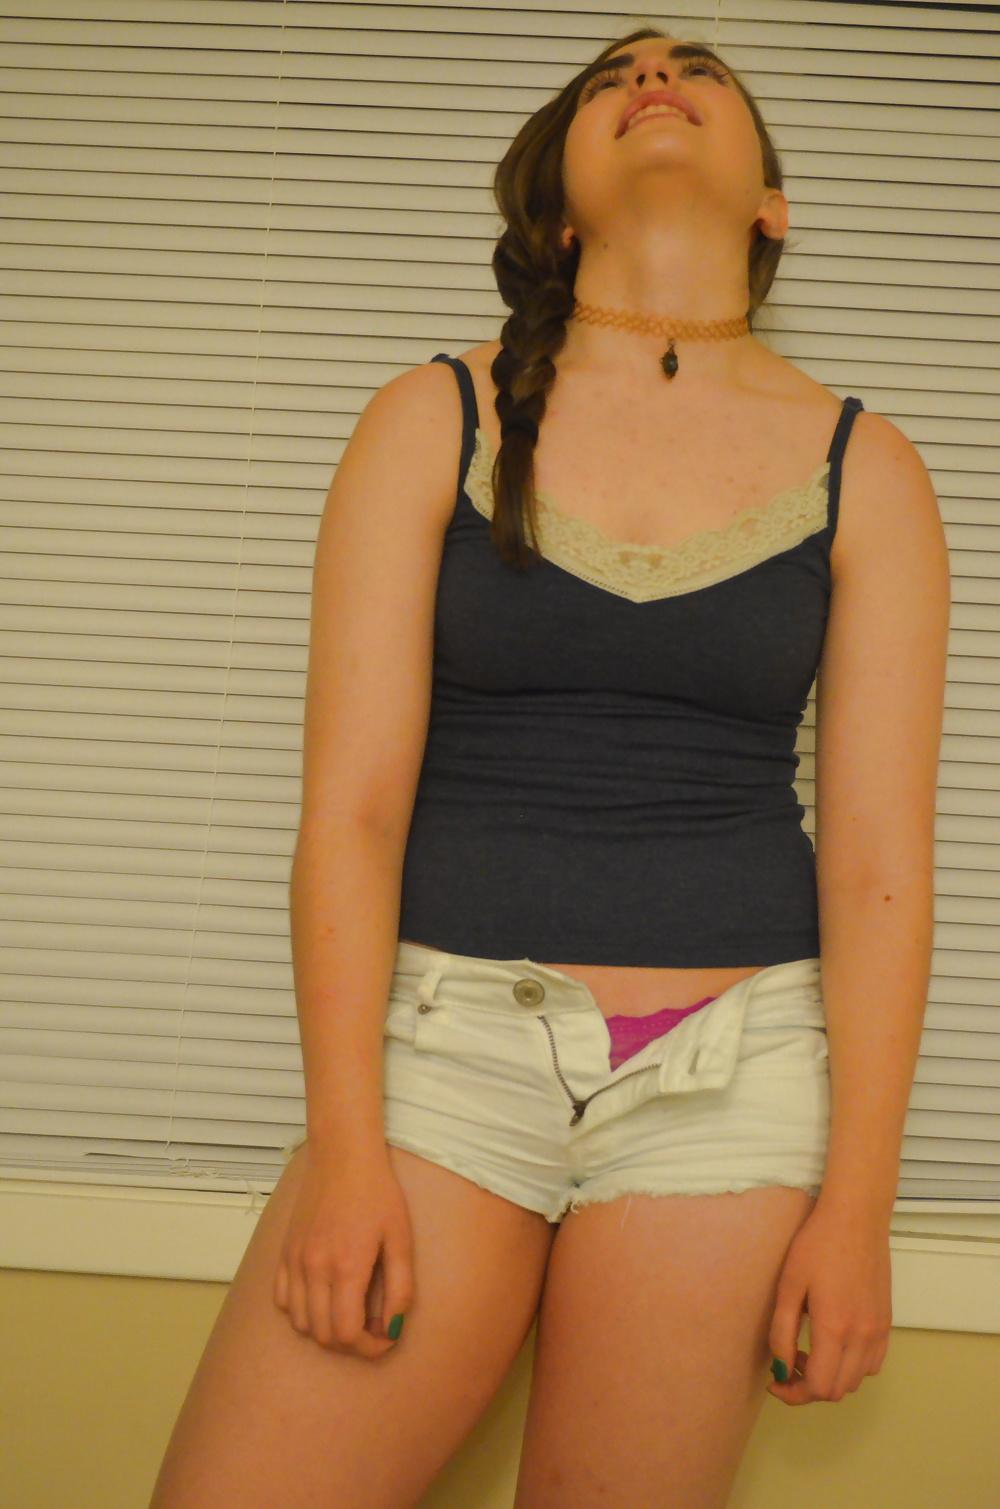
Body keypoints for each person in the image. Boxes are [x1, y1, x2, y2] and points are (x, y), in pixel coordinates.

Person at [150, 25, 950, 1507]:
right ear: (563, 211)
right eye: (612, 77)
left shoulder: (871, 469)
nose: (653, 78)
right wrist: (344, 1149)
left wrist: (859, 1209)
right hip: (438, 1062)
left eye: (697, 68)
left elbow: (882, 865)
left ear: (774, 205)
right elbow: (351, 814)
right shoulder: (431, 418)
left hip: (733, 1084)